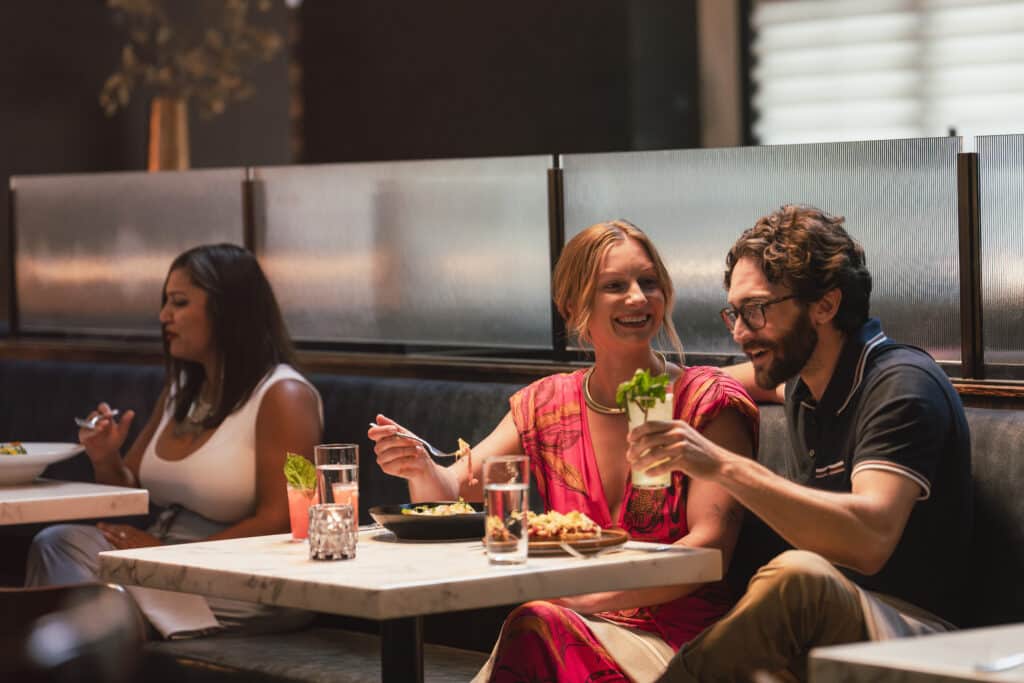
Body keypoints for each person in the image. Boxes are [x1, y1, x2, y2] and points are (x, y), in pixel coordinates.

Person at [369, 220, 759, 682]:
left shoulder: (707, 402)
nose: (638, 297)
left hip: (679, 641)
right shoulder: (547, 404)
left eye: (649, 282)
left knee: (536, 623)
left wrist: (585, 596)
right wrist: (419, 466)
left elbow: (711, 549)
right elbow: (452, 491)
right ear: (573, 305)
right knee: (538, 625)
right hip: (564, 626)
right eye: (615, 286)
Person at [628, 205, 972, 682]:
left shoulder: (900, 385)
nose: (740, 332)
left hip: (923, 638)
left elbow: (869, 539)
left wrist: (721, 466)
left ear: (825, 306)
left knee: (797, 578)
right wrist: (639, 391)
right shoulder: (803, 382)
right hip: (826, 637)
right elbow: (711, 380)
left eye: (756, 310)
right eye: (734, 313)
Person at [26, 243, 323, 638]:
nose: (164, 316)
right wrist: (105, 456)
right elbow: (127, 492)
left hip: (246, 574)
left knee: (80, 584)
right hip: (165, 552)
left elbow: (284, 517)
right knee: (57, 544)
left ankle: (85, 648)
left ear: (228, 310)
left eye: (179, 303)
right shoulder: (182, 390)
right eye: (165, 303)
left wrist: (172, 555)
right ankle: (89, 647)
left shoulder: (284, 395)